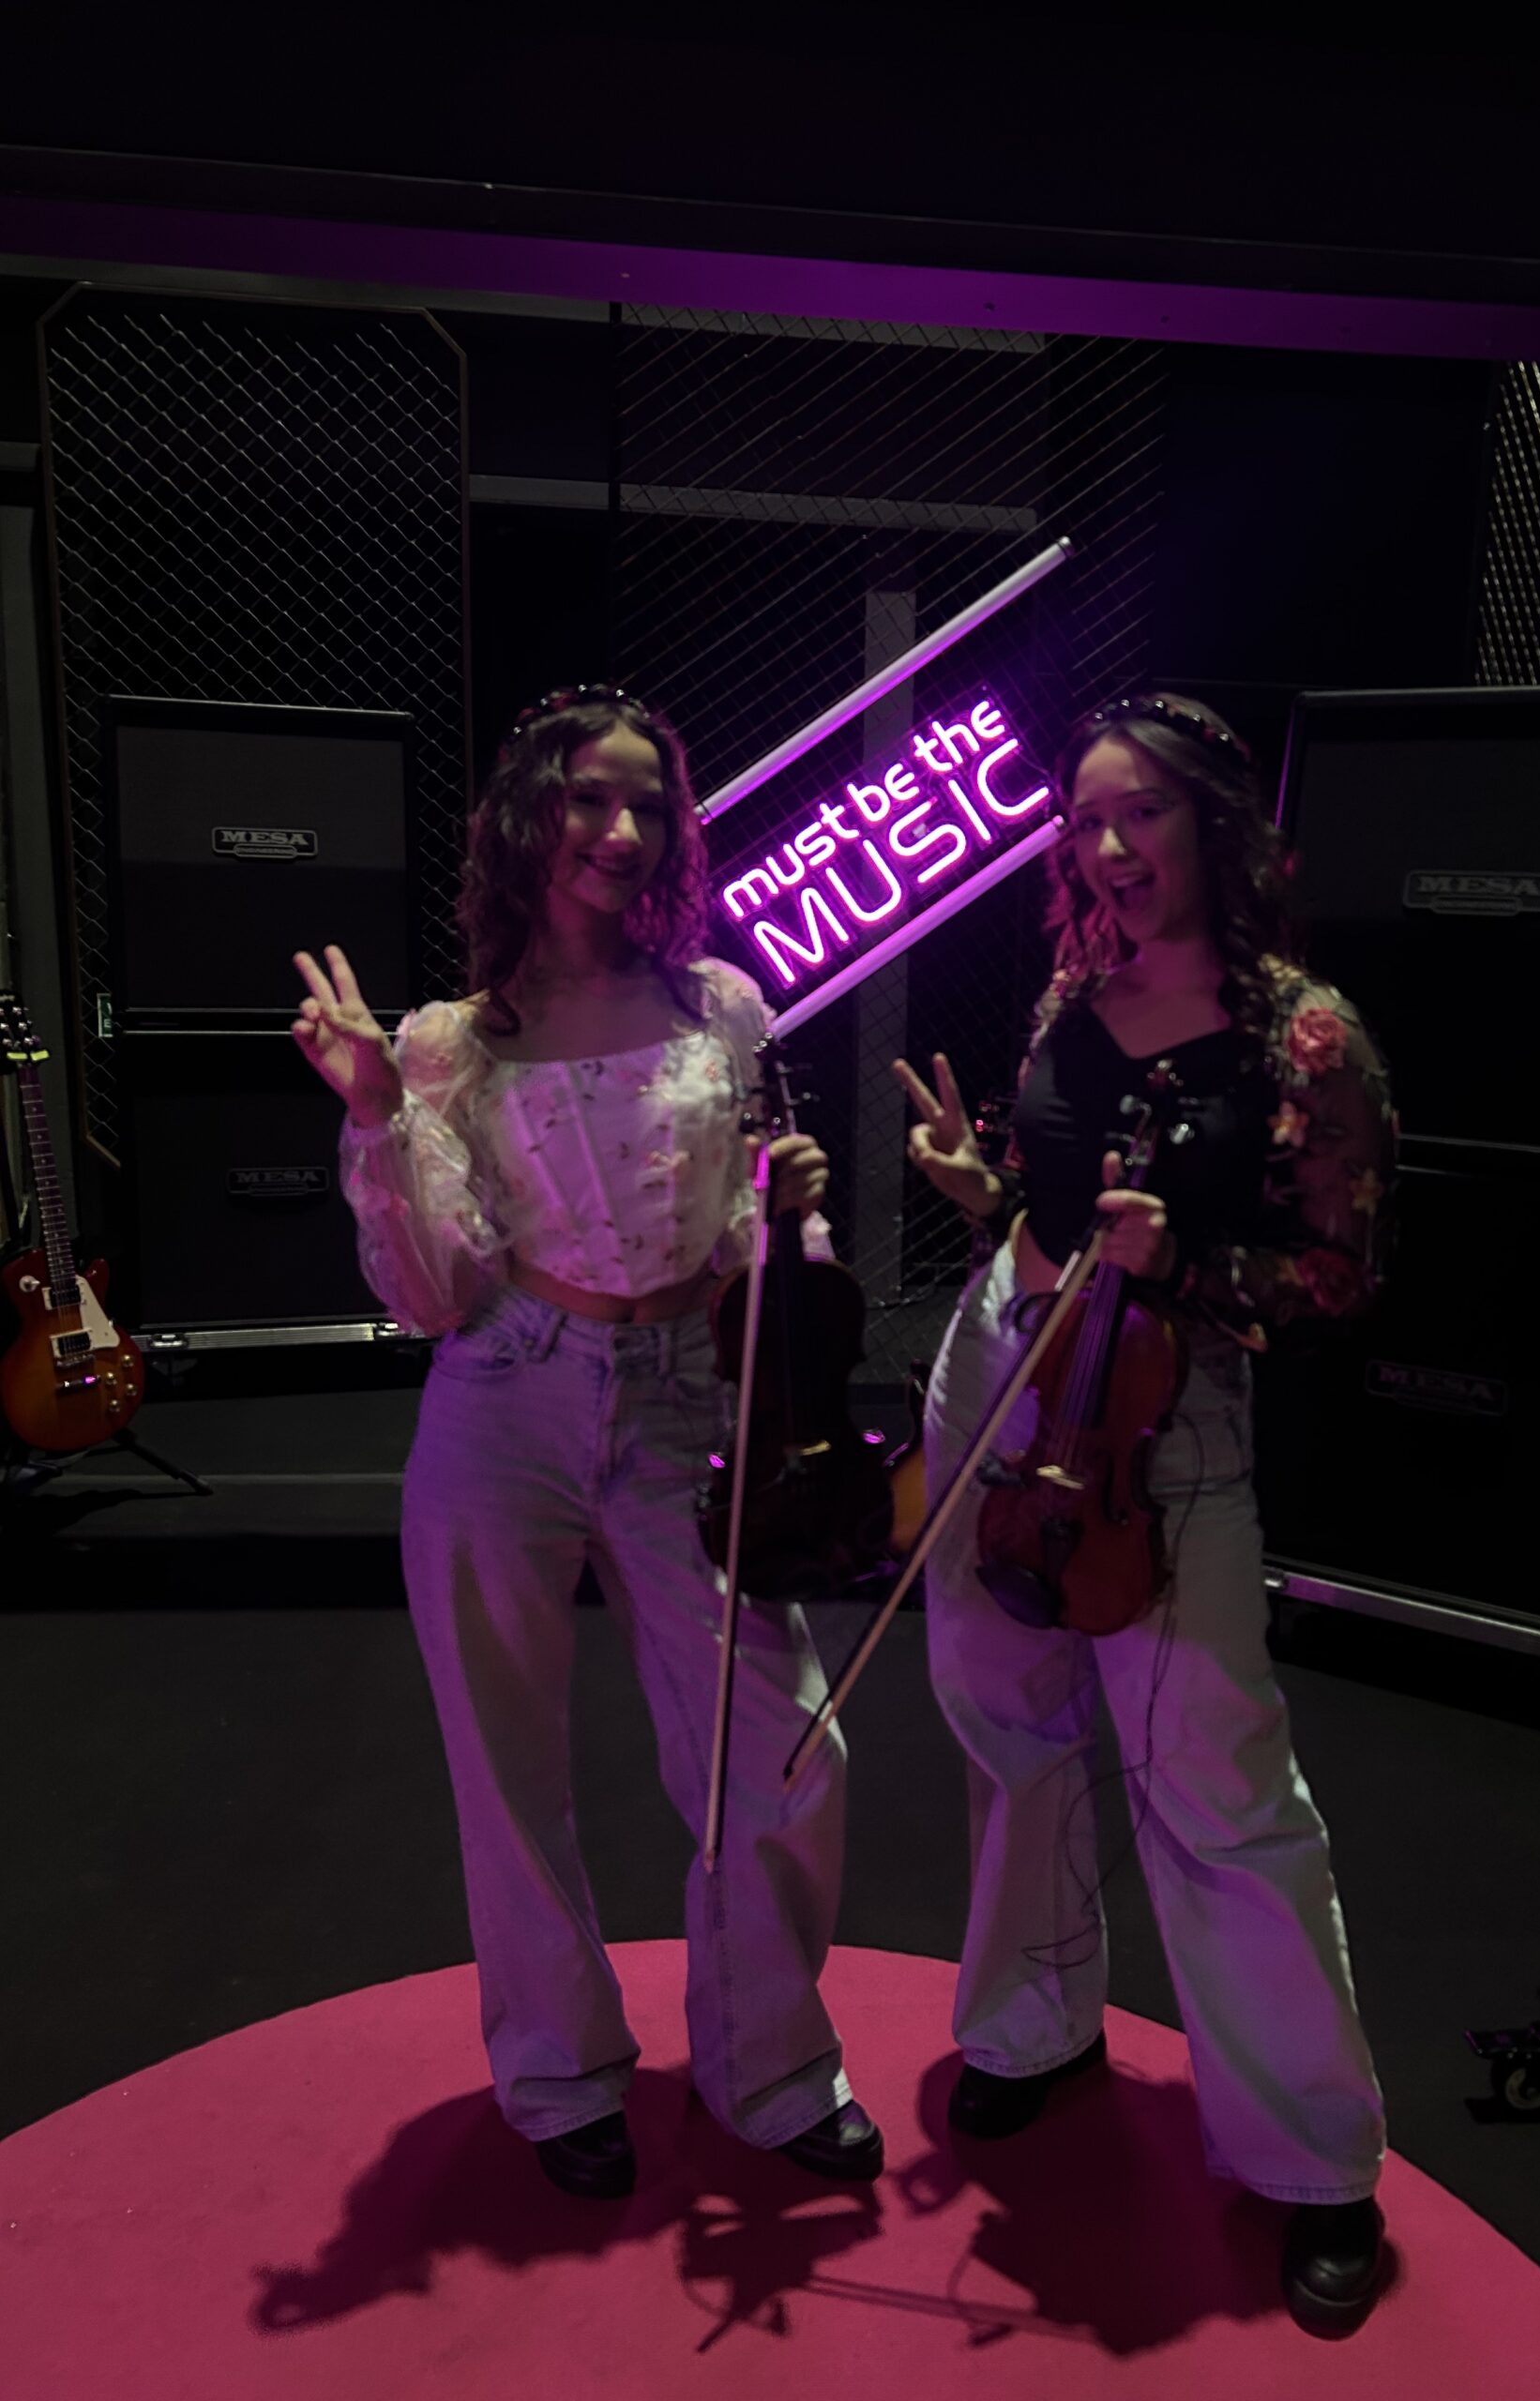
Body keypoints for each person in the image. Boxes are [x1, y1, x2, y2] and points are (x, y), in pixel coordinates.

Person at [291, 683, 881, 2198]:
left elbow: (755, 1236)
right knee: (505, 1759)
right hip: (509, 1392)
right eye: (589, 799)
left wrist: (796, 1218)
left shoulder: (722, 1006)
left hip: (691, 1391)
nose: (623, 832)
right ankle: (558, 2071)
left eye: (649, 805)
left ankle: (771, 2065)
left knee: (780, 1742)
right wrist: (375, 1113)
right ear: (525, 818)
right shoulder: (449, 1044)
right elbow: (432, 1293)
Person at [895, 692, 1395, 2336]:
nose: (1108, 848)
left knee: (1219, 1784)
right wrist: (983, 1190)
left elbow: (1340, 1276)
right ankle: (1033, 2026)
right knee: (1006, 1724)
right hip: (1001, 1365)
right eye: (1086, 821)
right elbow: (1043, 1191)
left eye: (1143, 816)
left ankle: (1315, 2162)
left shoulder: (1304, 1039)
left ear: (1215, 828)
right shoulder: (1074, 987)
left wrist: (1186, 1259)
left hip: (1162, 1412)